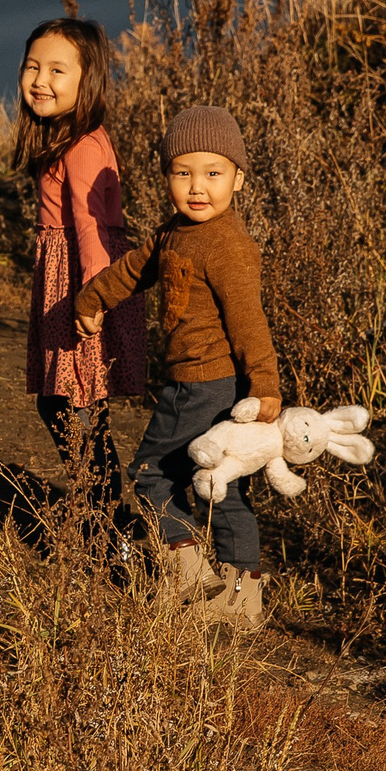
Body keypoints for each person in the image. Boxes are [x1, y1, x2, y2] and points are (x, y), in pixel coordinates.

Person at [75, 104, 277, 629]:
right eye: (182, 172)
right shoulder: (172, 233)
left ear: (238, 180)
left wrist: (267, 389)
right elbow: (133, 270)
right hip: (201, 383)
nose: (197, 187)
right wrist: (93, 300)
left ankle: (190, 579)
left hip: (206, 387)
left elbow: (250, 322)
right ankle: (242, 602)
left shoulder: (228, 245)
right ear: (166, 176)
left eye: (213, 173)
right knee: (221, 485)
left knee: (150, 476)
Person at [16, 17, 147, 528]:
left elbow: (92, 227)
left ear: (86, 79)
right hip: (69, 278)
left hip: (81, 283)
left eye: (57, 70)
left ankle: (112, 524)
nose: (40, 80)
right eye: (32, 66)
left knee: (69, 407)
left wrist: (94, 297)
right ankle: (105, 517)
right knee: (75, 407)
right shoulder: (67, 137)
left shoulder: (81, 145)